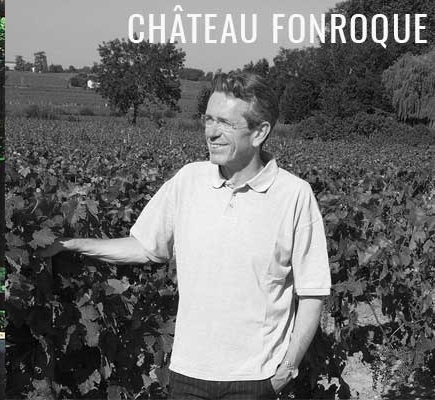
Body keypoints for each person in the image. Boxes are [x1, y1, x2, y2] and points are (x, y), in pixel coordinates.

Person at [38, 71, 331, 400]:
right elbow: (145, 247)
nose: (211, 133)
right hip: (188, 376)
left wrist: (286, 369)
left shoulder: (293, 194)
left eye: (225, 123)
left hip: (256, 379)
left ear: (260, 132)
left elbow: (312, 292)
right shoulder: (189, 181)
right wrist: (73, 244)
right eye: (208, 120)